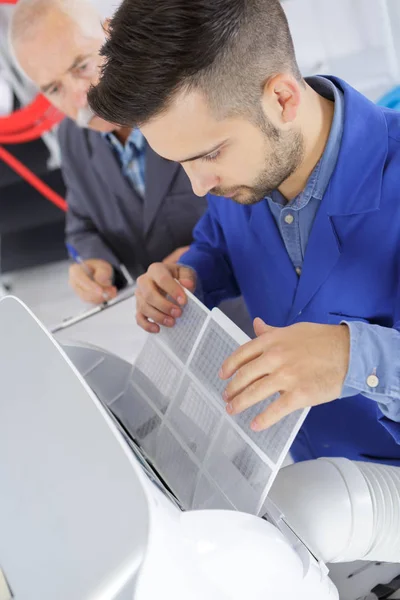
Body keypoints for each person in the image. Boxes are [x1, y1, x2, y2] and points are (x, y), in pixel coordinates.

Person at [88, 0, 400, 465]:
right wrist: (188, 277)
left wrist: (353, 359)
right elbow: (220, 244)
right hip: (297, 466)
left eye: (209, 154)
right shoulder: (239, 177)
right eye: (181, 163)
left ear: (282, 99)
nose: (198, 186)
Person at [9, 0, 207, 304]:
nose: (78, 97)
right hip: (171, 324)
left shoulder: (194, 95)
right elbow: (81, 227)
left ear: (111, 33)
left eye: (82, 66)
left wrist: (208, 254)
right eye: (54, 89)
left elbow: (268, 201)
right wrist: (93, 263)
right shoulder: (72, 138)